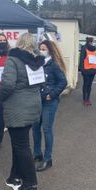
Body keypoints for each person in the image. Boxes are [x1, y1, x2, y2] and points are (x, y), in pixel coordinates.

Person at [0, 33, 44, 190]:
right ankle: (15, 177)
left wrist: (0, 96)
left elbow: (7, 84)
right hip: (32, 106)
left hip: (17, 107)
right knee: (19, 144)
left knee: (21, 146)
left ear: (19, 43)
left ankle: (31, 186)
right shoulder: (38, 62)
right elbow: (41, 83)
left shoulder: (13, 60)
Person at [32, 40, 67, 172]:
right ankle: (37, 154)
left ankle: (48, 159)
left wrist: (51, 95)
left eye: (44, 48)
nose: (42, 50)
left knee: (46, 129)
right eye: (40, 48)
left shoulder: (54, 65)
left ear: (50, 50)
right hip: (37, 101)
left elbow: (63, 81)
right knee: (35, 128)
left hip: (49, 102)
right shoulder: (37, 64)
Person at [79, 37, 96, 105]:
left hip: (92, 70)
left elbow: (95, 58)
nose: (94, 42)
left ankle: (88, 99)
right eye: (94, 41)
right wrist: (82, 69)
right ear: (90, 41)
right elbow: (81, 59)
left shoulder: (94, 49)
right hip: (86, 70)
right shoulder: (84, 48)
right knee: (86, 85)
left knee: (89, 85)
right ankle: (85, 99)